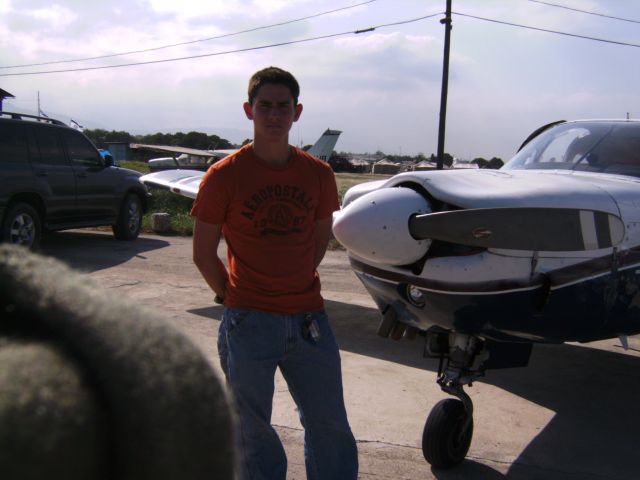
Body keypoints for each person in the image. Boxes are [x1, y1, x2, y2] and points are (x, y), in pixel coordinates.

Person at [191, 66, 358, 480]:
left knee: (329, 425)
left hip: (309, 321)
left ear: (297, 112)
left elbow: (318, 242)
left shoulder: (319, 175)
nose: (273, 115)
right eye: (264, 106)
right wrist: (232, 298)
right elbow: (202, 252)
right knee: (252, 431)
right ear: (249, 110)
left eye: (283, 106)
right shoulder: (224, 175)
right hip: (248, 321)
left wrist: (292, 279)